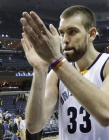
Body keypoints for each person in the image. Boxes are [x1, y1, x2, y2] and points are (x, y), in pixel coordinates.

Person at [20, 5, 109, 140]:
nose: (65, 40)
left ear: (91, 34)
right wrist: (40, 70)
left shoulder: (106, 64)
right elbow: (33, 126)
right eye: (62, 33)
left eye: (72, 31)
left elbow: (106, 114)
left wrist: (56, 59)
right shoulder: (56, 75)